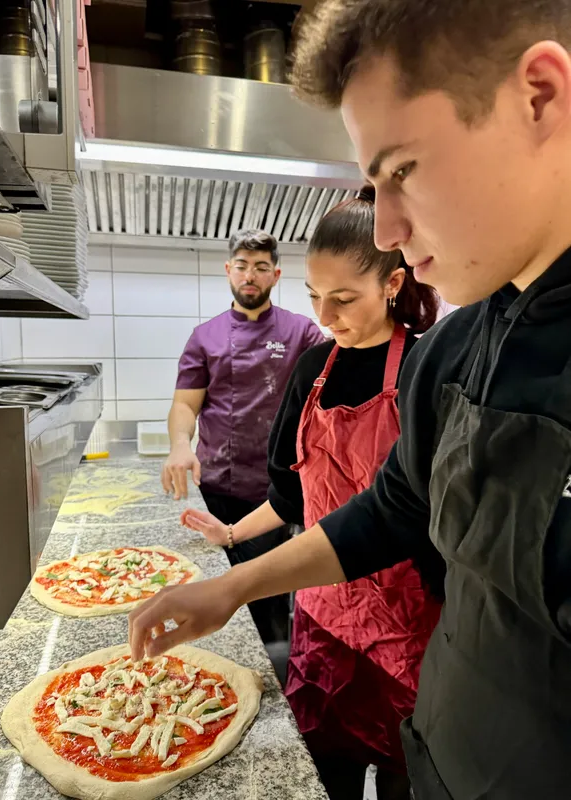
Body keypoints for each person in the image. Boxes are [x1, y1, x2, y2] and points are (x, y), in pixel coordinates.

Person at [130, 1, 571, 797]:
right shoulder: (459, 348)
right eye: (374, 182)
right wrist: (230, 584)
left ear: (539, 96)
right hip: (437, 754)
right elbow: (390, 510)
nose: (391, 227)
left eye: (402, 170)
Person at [179, 194, 443, 800]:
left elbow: (424, 514)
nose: (325, 315)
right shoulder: (313, 368)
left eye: (343, 299)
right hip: (323, 621)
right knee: (325, 775)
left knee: (408, 776)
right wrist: (232, 536)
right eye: (314, 295)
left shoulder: (426, 368)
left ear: (393, 283)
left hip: (412, 629)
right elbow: (294, 497)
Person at [161, 228, 324, 643]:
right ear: (228, 270)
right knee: (209, 588)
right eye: (242, 266)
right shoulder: (206, 336)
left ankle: (268, 674)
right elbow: (185, 405)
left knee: (264, 593)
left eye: (261, 267)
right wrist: (180, 445)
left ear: (276, 275)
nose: (250, 275)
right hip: (214, 485)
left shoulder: (301, 332)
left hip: (274, 492)